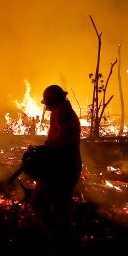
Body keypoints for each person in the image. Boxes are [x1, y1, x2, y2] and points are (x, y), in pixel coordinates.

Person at [24, 84, 82, 241]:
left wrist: (45, 148)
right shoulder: (62, 111)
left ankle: (59, 239)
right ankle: (66, 240)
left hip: (62, 168)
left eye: (47, 101)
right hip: (63, 166)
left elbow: (64, 139)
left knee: (39, 202)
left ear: (52, 100)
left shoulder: (62, 112)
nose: (46, 105)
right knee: (60, 206)